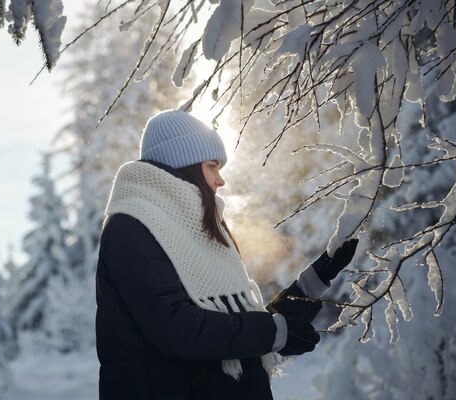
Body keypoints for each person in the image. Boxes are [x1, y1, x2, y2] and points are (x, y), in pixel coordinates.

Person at [95, 109, 358, 400]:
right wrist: (273, 333)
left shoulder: (192, 230)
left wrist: (317, 278)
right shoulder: (132, 226)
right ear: (183, 164)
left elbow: (237, 321)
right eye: (212, 166)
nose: (220, 180)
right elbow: (179, 328)